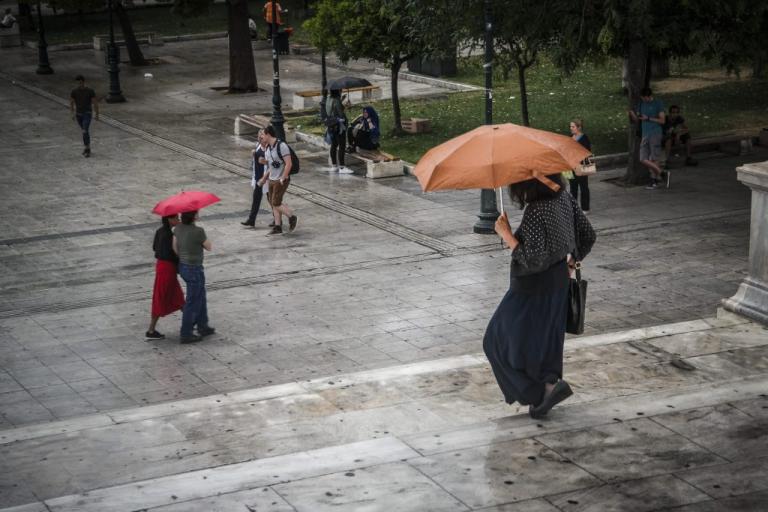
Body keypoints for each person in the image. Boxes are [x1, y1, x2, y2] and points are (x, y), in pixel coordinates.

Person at [484, 173, 596, 419]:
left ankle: (536, 393)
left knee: (495, 340)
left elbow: (533, 260)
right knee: (543, 343)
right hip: (558, 283)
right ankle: (548, 386)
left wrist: (508, 236)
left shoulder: (537, 210)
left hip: (531, 288)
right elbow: (588, 235)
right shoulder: (564, 198)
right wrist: (571, 263)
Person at [173, 210, 215, 344]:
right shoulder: (198, 231)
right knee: (192, 300)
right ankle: (186, 333)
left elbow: (174, 247)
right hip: (194, 268)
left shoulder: (177, 229)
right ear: (194, 217)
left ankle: (203, 326)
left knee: (200, 295)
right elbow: (209, 247)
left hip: (183, 266)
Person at [146, 215, 185, 340]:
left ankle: (193, 321)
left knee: (176, 296)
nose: (178, 220)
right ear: (169, 220)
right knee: (163, 297)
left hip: (161, 266)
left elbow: (154, 248)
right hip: (167, 269)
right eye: (176, 218)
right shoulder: (170, 235)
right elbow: (173, 254)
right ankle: (151, 330)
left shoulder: (160, 231)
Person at [258, 125, 298, 235]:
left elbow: (288, 163)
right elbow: (272, 165)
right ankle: (277, 226)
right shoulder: (268, 147)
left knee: (276, 202)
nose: (261, 137)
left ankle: (291, 216)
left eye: (262, 134)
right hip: (271, 179)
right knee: (273, 203)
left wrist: (283, 177)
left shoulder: (282, 146)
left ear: (268, 134)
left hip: (280, 180)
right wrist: (264, 177)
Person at [629, 87, 667, 189]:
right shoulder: (641, 104)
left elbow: (662, 121)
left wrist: (649, 118)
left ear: (649, 96)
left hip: (655, 132)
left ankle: (654, 181)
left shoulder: (658, 103)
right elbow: (638, 119)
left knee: (654, 158)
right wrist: (632, 114)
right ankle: (661, 173)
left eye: (645, 98)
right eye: (642, 98)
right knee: (642, 158)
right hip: (645, 134)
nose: (644, 100)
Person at [242, 129, 269, 227]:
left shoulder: (269, 148)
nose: (259, 137)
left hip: (266, 178)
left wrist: (265, 162)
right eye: (258, 136)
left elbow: (275, 163)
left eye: (261, 135)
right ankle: (251, 219)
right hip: (258, 177)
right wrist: (253, 154)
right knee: (256, 199)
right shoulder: (258, 145)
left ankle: (278, 220)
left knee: (272, 201)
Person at [69, 75, 99, 158]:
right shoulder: (74, 91)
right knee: (84, 130)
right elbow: (71, 102)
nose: (79, 84)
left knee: (85, 130)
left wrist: (97, 114)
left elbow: (95, 103)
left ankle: (87, 149)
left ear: (83, 82)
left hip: (87, 113)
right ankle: (87, 147)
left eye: (80, 83)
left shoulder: (90, 91)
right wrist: (72, 113)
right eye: (78, 83)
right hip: (79, 114)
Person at [324, 89, 353, 174]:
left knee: (334, 145)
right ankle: (342, 167)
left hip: (331, 125)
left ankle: (334, 165)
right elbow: (340, 115)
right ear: (337, 91)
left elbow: (332, 110)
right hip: (339, 126)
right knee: (342, 146)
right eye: (340, 90)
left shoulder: (329, 98)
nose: (341, 91)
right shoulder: (336, 100)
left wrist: (341, 102)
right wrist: (346, 106)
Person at [568, 119, 592, 214]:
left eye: (573, 126)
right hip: (570, 165)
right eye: (570, 126)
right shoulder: (570, 137)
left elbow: (587, 152)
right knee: (572, 187)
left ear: (579, 127)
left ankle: (585, 208)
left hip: (582, 165)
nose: (571, 128)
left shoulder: (584, 138)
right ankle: (573, 208)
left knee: (583, 187)